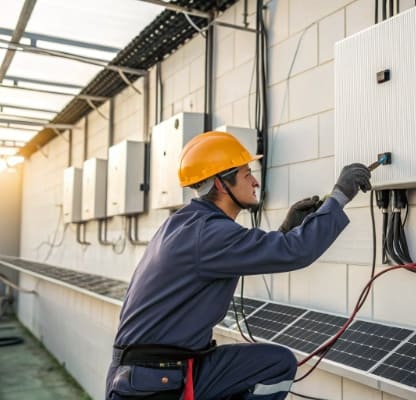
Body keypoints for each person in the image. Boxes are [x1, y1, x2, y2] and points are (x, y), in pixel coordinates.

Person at [105, 131, 371, 400]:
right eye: (247, 174)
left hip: (158, 371)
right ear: (221, 184)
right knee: (275, 364)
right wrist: (339, 196)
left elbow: (250, 253)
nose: (255, 181)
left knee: (275, 362)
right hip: (150, 383)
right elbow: (296, 252)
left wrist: (288, 228)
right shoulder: (208, 234)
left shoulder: (189, 224)